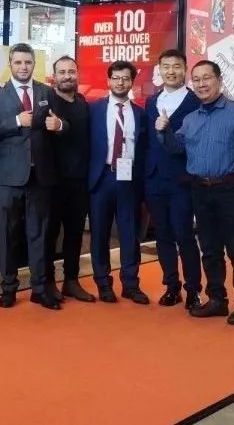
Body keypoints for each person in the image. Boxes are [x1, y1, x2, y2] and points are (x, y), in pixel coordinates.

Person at [161, 60, 234, 325]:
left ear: (219, 80)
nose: (201, 84)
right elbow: (176, 148)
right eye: (196, 79)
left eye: (207, 78)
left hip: (231, 189)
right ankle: (217, 299)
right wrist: (164, 130)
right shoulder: (191, 119)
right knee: (209, 249)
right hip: (200, 190)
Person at [0, 43, 65, 310]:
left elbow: (62, 124)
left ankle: (40, 289)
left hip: (40, 177)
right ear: (10, 64)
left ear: (33, 64)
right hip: (8, 178)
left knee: (38, 235)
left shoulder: (46, 92)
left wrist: (59, 125)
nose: (23, 67)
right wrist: (16, 121)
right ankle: (8, 288)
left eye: (27, 62)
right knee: (7, 235)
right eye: (18, 62)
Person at [144, 49, 202, 309]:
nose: (171, 71)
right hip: (154, 179)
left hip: (182, 179)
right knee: (163, 236)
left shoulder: (195, 101)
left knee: (184, 234)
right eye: (166, 66)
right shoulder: (151, 101)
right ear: (160, 70)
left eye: (176, 66)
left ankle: (193, 290)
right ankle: (171, 286)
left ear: (185, 69)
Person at [87, 60, 148, 304]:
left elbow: (144, 150)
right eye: (116, 78)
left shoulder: (140, 114)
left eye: (125, 78)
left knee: (130, 233)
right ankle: (103, 284)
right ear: (108, 80)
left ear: (132, 82)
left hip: (129, 179)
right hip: (101, 178)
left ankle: (131, 284)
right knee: (99, 234)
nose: (120, 82)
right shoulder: (94, 110)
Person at [45, 56, 95, 303]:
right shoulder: (46, 100)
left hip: (79, 180)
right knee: (50, 233)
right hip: (52, 182)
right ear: (54, 75)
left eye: (71, 71)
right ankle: (47, 283)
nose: (67, 76)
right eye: (62, 72)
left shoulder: (83, 102)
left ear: (77, 74)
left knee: (75, 233)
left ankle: (71, 281)